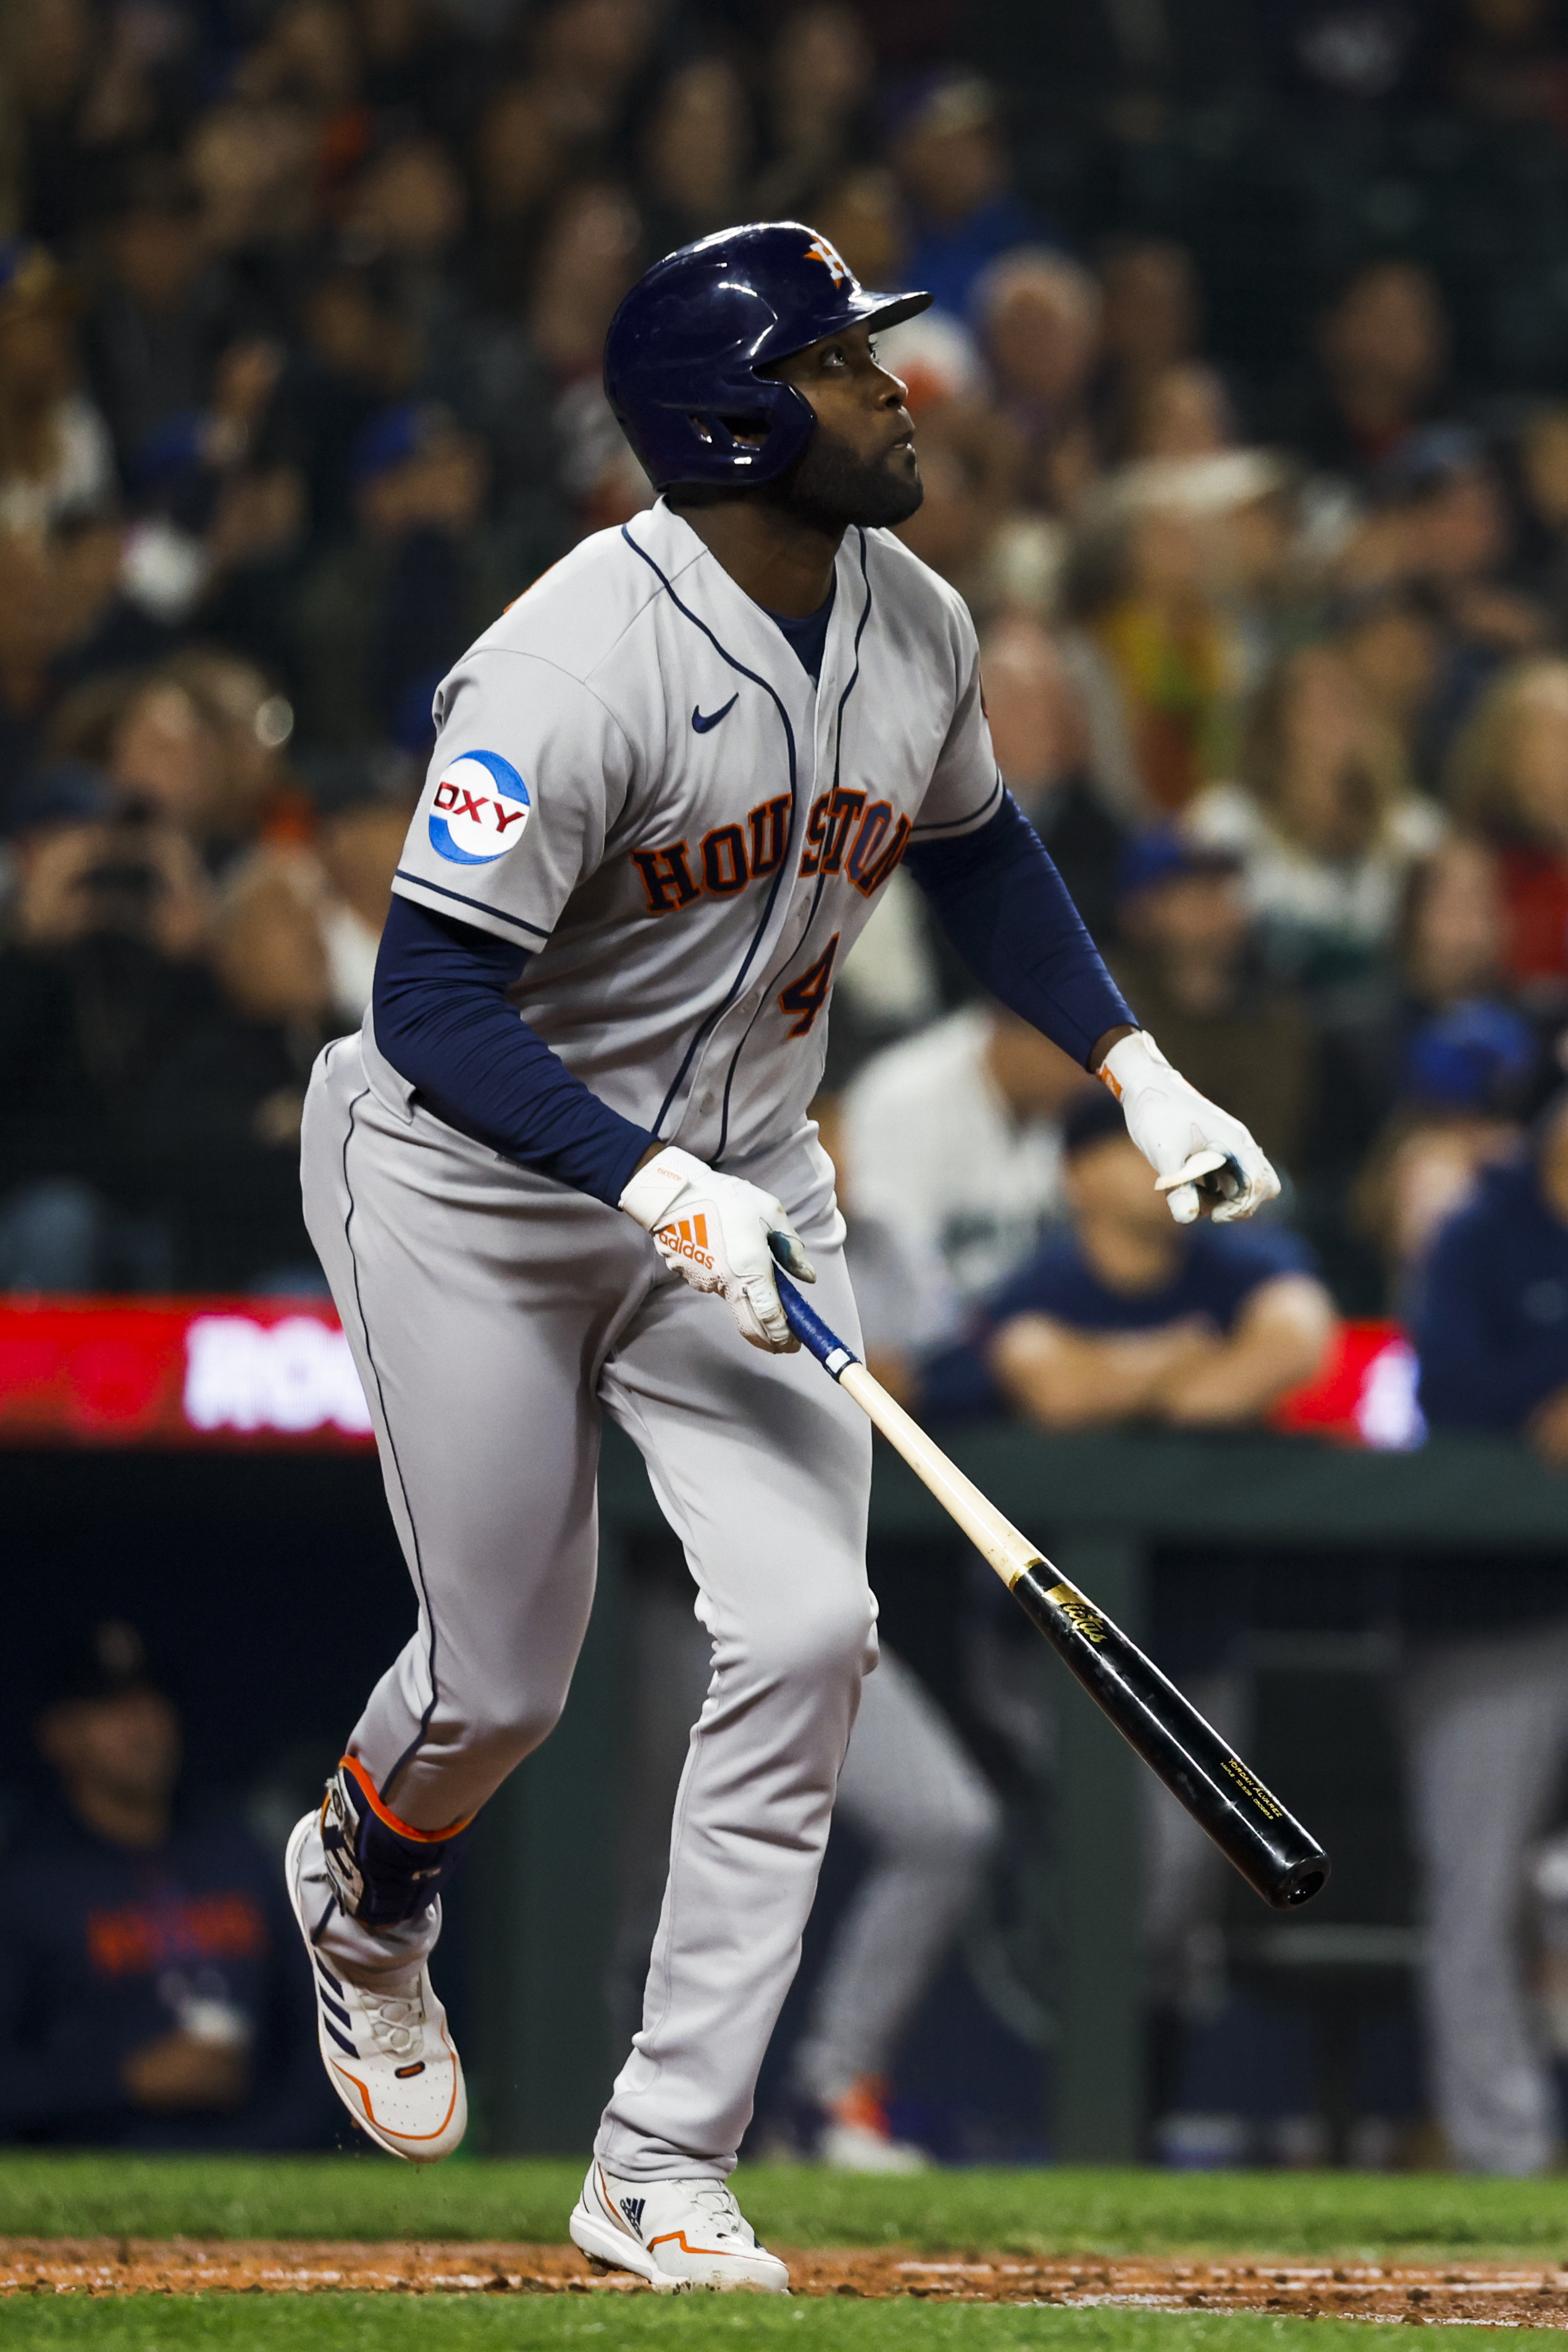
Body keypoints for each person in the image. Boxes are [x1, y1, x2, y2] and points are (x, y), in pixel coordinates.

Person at [282, 220, 1278, 2292]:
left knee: (813, 1630)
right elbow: (428, 1000)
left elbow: (981, 849)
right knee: (500, 1680)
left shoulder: (906, 614)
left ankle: (664, 2153)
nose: (893, 387)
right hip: (472, 1180)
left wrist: (1129, 1060)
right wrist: (643, 1181)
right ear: (733, 420)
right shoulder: (568, 664)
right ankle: (366, 1890)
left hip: (740, 1178)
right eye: (841, 362)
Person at [1408, 1088, 1568, 2171]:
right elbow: (1447, 1390)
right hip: (1485, 1612)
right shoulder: (1479, 1230)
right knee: (1471, 1893)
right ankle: (1500, 2155)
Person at [0, 1622, 329, 2148]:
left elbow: (318, 2029)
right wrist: (126, 2081)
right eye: (110, 1709)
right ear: (58, 1735)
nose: (141, 1725)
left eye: (150, 1702)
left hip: (253, 2161)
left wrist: (269, 2147)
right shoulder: (29, 1883)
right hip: (100, 2165)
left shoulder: (235, 1850)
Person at [928, 1088, 1331, 1434]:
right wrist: (1179, 1354)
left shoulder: (1244, 1259)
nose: (1172, 1162)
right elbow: (1058, 1393)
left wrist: (1144, 1388)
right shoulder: (1037, 1284)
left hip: (1236, 1507)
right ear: (1075, 1173)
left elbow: (1295, 1337)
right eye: (1143, 1145)